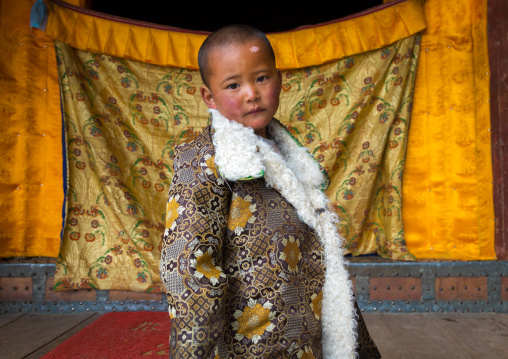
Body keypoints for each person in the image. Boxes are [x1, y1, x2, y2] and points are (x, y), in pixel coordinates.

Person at [159, 24, 380, 359]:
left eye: (261, 78)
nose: (252, 93)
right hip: (252, 341)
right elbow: (188, 268)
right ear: (210, 97)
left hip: (306, 327)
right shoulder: (203, 162)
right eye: (233, 84)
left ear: (279, 79)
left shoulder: (287, 152)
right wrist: (193, 351)